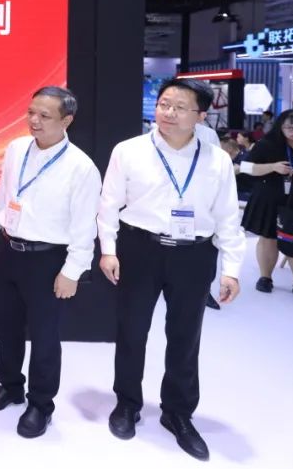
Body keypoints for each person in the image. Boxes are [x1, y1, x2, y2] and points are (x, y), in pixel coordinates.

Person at [97, 78, 244, 461]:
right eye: (164, 104)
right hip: (139, 249)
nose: (168, 113)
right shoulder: (129, 150)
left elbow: (228, 216)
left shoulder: (217, 160)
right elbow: (108, 204)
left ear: (201, 115)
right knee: (131, 330)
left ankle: (177, 412)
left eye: (179, 107)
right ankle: (127, 403)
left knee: (185, 336)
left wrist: (231, 269)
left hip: (193, 255)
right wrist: (108, 250)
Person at [0, 87, 101, 438]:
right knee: (6, 325)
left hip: (48, 260)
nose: (34, 120)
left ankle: (40, 404)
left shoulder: (81, 167)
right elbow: (4, 192)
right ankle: (10, 385)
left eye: (44, 116)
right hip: (8, 249)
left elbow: (84, 227)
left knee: (45, 336)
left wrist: (71, 271)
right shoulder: (16, 148)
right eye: (31, 112)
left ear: (67, 121)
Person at [239, 109, 293, 301]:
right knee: (268, 238)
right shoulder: (267, 144)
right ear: (280, 127)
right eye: (289, 127)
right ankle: (265, 278)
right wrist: (273, 167)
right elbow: (245, 168)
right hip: (270, 199)